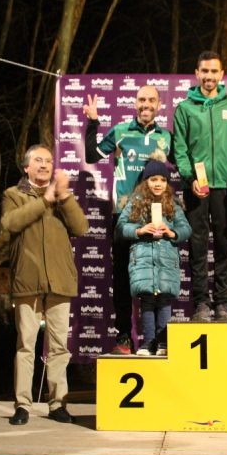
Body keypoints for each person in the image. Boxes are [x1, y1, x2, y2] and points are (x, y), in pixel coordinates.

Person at [1, 144, 88, 426]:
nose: (44, 165)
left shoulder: (62, 199)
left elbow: (81, 228)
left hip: (60, 281)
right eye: (38, 160)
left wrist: (62, 197)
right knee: (26, 344)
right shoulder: (13, 195)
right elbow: (11, 223)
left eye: (48, 161)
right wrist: (45, 199)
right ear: (26, 167)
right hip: (27, 280)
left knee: (60, 346)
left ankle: (58, 403)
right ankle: (22, 405)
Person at [83, 86, 171, 354]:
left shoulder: (166, 136)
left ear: (159, 105)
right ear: (135, 103)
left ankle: (156, 339)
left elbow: (182, 163)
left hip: (156, 215)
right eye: (142, 99)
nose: (146, 104)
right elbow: (91, 156)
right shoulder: (121, 131)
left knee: (156, 277)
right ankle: (123, 335)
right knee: (122, 277)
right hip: (123, 215)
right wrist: (93, 123)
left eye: (151, 100)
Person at [173, 51, 227, 322]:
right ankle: (201, 304)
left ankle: (222, 304)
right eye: (204, 71)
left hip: (226, 189)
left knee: (223, 245)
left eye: (214, 71)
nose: (209, 76)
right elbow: (179, 149)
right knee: (196, 246)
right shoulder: (185, 108)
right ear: (196, 74)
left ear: (221, 74)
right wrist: (188, 177)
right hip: (197, 187)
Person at [117, 152, 191, 356]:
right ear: (145, 181)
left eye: (162, 180)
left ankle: (163, 343)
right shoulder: (135, 202)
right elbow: (122, 226)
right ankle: (148, 343)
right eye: (153, 179)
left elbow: (186, 229)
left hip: (166, 263)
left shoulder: (173, 204)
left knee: (164, 302)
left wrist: (171, 232)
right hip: (143, 263)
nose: (158, 184)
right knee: (147, 303)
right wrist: (140, 230)